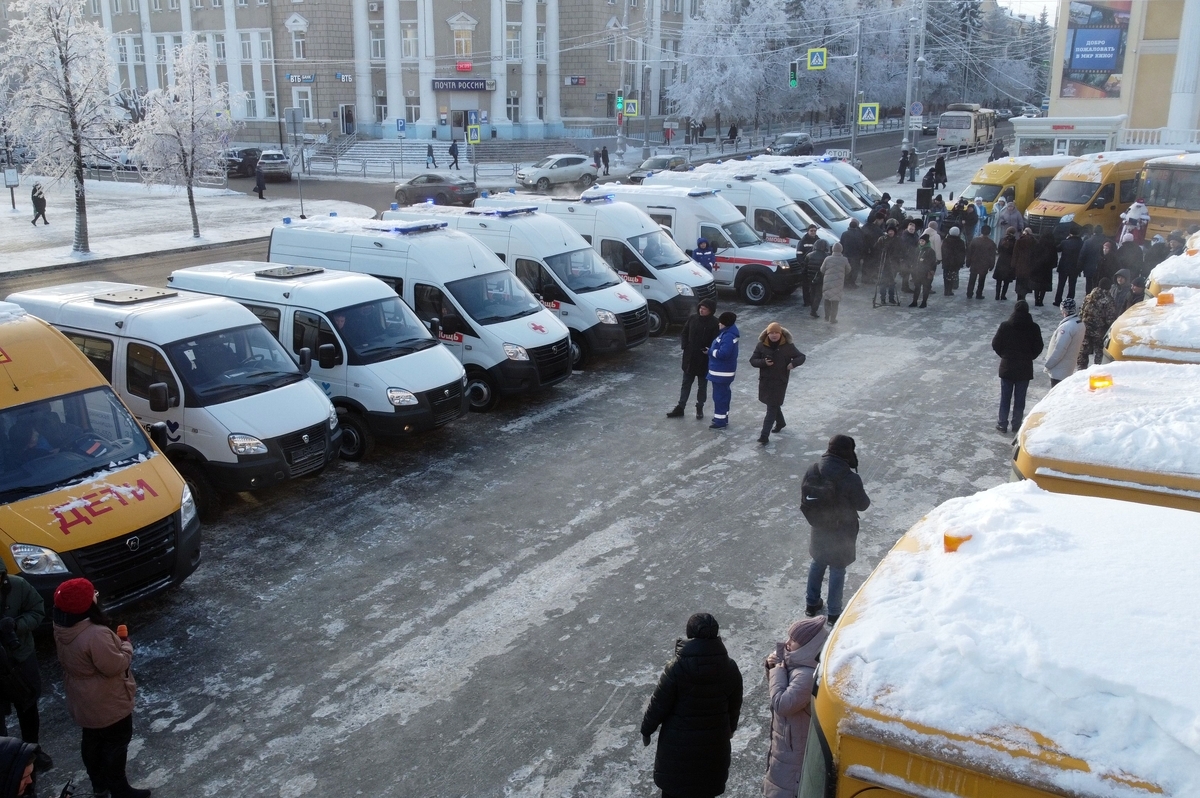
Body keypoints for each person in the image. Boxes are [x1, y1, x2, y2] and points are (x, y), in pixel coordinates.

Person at [53, 578, 151, 798]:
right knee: (116, 744)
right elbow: (114, 665)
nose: (96, 595)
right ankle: (119, 790)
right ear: (85, 604)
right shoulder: (95, 634)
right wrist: (125, 645)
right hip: (107, 701)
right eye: (92, 594)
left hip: (82, 698)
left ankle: (99, 785)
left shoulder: (61, 626)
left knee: (92, 741)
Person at [641, 613, 742, 798]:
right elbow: (734, 707)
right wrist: (730, 730)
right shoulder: (730, 668)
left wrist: (646, 729)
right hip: (713, 749)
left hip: (678, 751)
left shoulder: (676, 668)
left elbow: (659, 704)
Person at [801, 435, 870, 627]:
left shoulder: (813, 470)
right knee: (838, 568)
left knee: (818, 562)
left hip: (820, 527)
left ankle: (811, 604)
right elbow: (863, 504)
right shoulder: (849, 478)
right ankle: (833, 612)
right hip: (842, 531)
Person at [761, 617, 830, 798]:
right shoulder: (800, 663)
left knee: (785, 787)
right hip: (788, 740)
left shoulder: (806, 675)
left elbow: (782, 703)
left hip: (794, 748)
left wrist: (777, 670)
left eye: (793, 640)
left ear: (808, 646)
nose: (787, 643)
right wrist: (772, 667)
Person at [0, 572, 49, 776]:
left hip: (21, 657)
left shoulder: (17, 585)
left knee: (28, 706)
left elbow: (37, 611)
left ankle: (31, 752)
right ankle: (5, 762)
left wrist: (16, 625)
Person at [991, 300, 1044, 434]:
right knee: (1020, 399)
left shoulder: (1005, 326)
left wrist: (1004, 355)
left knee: (1005, 397)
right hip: (1024, 368)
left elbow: (996, 344)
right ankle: (1016, 424)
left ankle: (1002, 423)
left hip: (1007, 366)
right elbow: (1039, 346)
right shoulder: (1034, 327)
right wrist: (1030, 357)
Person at [749, 322, 805, 445]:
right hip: (766, 381)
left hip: (780, 381)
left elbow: (801, 356)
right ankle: (780, 423)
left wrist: (793, 364)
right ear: (767, 334)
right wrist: (764, 362)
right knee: (773, 404)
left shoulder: (788, 346)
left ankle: (764, 435)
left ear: (781, 334)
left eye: (776, 333)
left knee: (771, 407)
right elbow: (753, 361)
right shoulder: (761, 346)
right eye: (771, 333)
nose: (774, 335)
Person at [667, 299, 719, 420]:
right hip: (690, 358)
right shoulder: (693, 319)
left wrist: (708, 351)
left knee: (702, 386)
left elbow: (716, 341)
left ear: (710, 310)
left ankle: (699, 407)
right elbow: (684, 333)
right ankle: (680, 407)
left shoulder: (714, 323)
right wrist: (685, 346)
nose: (701, 310)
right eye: (700, 307)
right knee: (686, 383)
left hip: (704, 360)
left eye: (704, 308)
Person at [706, 312, 739, 430]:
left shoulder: (728, 336)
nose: (719, 324)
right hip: (724, 372)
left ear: (725, 323)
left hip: (721, 372)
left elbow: (723, 354)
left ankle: (720, 421)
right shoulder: (729, 334)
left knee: (719, 396)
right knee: (724, 395)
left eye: (721, 322)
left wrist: (710, 351)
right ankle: (722, 417)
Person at [1043, 298, 1084, 388]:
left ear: (1064, 310)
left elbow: (1059, 349)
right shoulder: (1079, 323)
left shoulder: (1067, 327)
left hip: (1059, 370)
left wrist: (1048, 365)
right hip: (1069, 367)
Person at [1077, 278, 1117, 369]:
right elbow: (1110, 318)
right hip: (1099, 331)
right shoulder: (1108, 300)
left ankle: (1080, 371)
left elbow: (1081, 312)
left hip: (1085, 329)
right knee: (1099, 353)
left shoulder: (1089, 296)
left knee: (1083, 352)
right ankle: (1097, 371)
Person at [872, 221, 901, 307]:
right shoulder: (882, 239)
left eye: (892, 231)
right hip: (883, 264)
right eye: (889, 231)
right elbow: (876, 249)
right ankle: (883, 299)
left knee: (892, 282)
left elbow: (900, 251)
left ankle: (891, 299)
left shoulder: (897, 240)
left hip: (893, 264)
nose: (890, 232)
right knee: (883, 282)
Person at [820, 242, 850, 322]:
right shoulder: (844, 259)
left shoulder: (827, 258)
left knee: (827, 299)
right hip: (838, 283)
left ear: (832, 249)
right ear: (841, 250)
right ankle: (833, 319)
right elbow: (848, 270)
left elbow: (822, 269)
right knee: (835, 301)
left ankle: (826, 317)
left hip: (827, 282)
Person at [1054, 227, 1084, 305]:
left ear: (1070, 233)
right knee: (1072, 285)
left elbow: (1057, 249)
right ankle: (1069, 301)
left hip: (1063, 267)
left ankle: (1058, 300)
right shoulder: (1081, 243)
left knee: (1061, 284)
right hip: (1075, 268)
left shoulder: (1065, 242)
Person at [965, 224, 997, 299]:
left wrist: (968, 262)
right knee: (981, 280)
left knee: (972, 279)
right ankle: (979, 294)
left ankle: (969, 293)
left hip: (974, 262)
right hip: (984, 264)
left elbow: (969, 252)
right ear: (989, 232)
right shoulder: (991, 243)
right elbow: (992, 256)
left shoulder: (975, 240)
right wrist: (992, 265)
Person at [1030, 230, 1057, 307]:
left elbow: (1032, 255)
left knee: (1037, 285)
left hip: (1037, 268)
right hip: (1047, 269)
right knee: (1044, 286)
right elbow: (1054, 258)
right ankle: (1041, 300)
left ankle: (1036, 300)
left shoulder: (1037, 245)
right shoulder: (1052, 246)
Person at [909, 233, 936, 308]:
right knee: (917, 287)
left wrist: (930, 270)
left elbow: (933, 263)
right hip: (917, 272)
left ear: (926, 242)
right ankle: (914, 301)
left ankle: (924, 302)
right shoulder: (917, 249)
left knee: (925, 288)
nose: (921, 242)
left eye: (923, 241)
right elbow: (914, 260)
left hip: (926, 272)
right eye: (920, 240)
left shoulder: (930, 251)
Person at [1078, 224, 1107, 295]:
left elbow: (1082, 256)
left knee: (1089, 285)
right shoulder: (1106, 242)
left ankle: (1089, 301)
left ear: (1093, 232)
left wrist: (1079, 268)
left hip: (1089, 268)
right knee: (1100, 286)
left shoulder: (1087, 242)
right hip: (1102, 268)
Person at [839, 219, 865, 289]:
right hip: (856, 256)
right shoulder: (859, 234)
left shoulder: (844, 234)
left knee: (846, 269)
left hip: (846, 254)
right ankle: (852, 283)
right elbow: (861, 245)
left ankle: (846, 282)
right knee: (854, 270)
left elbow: (841, 244)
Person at [805, 239, 828, 317]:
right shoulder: (826, 257)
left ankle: (812, 308)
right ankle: (814, 310)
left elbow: (805, 267)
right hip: (821, 279)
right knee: (818, 295)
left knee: (812, 293)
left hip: (810, 278)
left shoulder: (809, 255)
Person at [994, 226, 1017, 300]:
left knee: (999, 281)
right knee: (1006, 281)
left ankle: (997, 295)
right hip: (1009, 262)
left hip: (1001, 261)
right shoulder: (1015, 242)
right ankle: (1003, 295)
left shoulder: (1002, 240)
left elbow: (999, 250)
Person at [941, 226, 965, 296]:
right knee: (952, 276)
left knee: (946, 276)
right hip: (955, 263)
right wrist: (961, 262)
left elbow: (943, 251)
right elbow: (962, 253)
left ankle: (946, 290)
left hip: (946, 262)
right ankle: (950, 290)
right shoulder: (960, 242)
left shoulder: (946, 241)